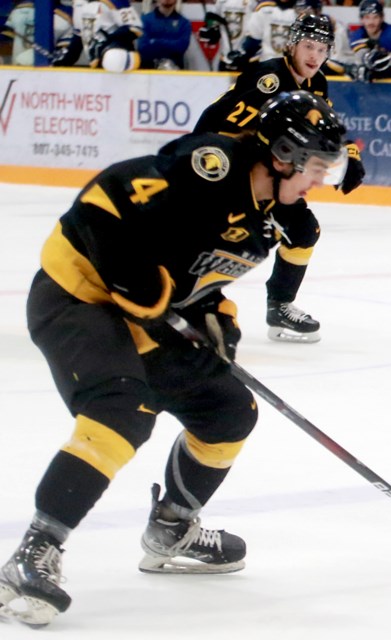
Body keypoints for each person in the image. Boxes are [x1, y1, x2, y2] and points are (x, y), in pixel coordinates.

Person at [0, 91, 348, 627]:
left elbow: (201, 286)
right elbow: (102, 202)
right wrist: (140, 286)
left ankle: (172, 528)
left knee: (229, 410)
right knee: (121, 412)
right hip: (76, 294)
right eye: (316, 167)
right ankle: (33, 553)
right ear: (282, 156)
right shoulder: (210, 167)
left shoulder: (262, 224)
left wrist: (220, 327)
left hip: (141, 320)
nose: (319, 181)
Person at [195, 13, 366, 342]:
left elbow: (317, 129)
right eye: (308, 46)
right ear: (292, 45)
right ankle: (186, 303)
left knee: (303, 230)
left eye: (322, 48)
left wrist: (350, 155)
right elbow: (217, 125)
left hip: (270, 173)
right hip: (228, 169)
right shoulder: (269, 77)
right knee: (219, 237)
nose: (314, 56)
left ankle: (280, 307)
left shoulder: (316, 82)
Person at [347, 0, 391, 82]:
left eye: (375, 17)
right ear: (361, 19)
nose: (371, 22)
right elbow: (362, 62)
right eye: (367, 17)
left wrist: (375, 73)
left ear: (382, 18)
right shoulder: (357, 36)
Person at [2, 0, 82, 66]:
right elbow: (68, 57)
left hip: (15, 70)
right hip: (48, 72)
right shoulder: (65, 16)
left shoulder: (16, 13)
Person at [74, 0, 143, 71]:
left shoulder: (117, 1)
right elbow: (78, 34)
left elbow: (135, 30)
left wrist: (105, 43)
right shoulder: (79, 3)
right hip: (95, 61)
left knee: (113, 56)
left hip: (119, 56)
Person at [138, 0, 192, 70]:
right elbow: (142, 47)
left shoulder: (184, 23)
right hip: (148, 71)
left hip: (175, 71)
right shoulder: (145, 20)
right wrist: (172, 44)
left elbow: (182, 47)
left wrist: (155, 42)